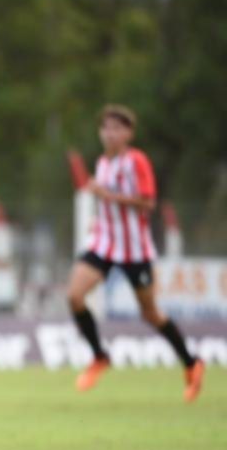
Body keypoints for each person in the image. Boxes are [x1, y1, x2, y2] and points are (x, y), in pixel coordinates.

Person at [68, 104, 204, 401]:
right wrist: (100, 217)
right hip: (104, 244)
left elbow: (148, 203)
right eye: (105, 128)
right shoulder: (102, 163)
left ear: (128, 133)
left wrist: (107, 196)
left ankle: (192, 363)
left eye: (117, 128)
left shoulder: (136, 161)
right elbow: (108, 205)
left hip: (135, 250)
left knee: (150, 312)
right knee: (75, 296)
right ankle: (99, 356)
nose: (110, 133)